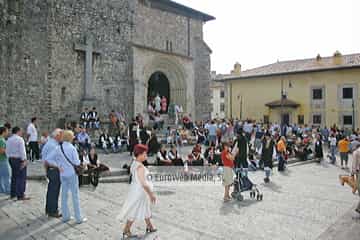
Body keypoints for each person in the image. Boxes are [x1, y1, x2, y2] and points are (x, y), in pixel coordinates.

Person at [47, 130, 87, 224]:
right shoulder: (72, 148)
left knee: (64, 195)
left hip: (63, 174)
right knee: (75, 195)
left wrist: (58, 166)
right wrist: (83, 164)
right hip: (72, 174)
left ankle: (65, 216)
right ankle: (78, 217)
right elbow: (77, 162)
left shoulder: (58, 148)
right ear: (70, 138)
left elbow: (48, 159)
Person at [120, 144, 157, 238]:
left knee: (145, 208)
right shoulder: (140, 167)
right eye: (145, 154)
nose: (146, 155)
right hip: (139, 192)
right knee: (134, 210)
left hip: (136, 190)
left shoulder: (134, 163)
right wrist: (151, 194)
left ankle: (150, 226)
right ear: (140, 154)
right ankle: (126, 230)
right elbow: (143, 184)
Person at [42, 128, 63, 218]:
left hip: (50, 169)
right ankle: (53, 210)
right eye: (61, 135)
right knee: (54, 191)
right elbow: (48, 160)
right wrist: (58, 166)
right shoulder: (53, 145)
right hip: (54, 170)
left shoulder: (51, 143)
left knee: (51, 190)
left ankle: (49, 209)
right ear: (57, 135)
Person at [6, 127, 30, 200]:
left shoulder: (9, 139)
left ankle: (13, 193)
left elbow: (7, 150)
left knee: (14, 177)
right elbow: (22, 151)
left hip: (11, 159)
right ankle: (20, 194)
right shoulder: (20, 139)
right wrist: (24, 160)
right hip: (18, 159)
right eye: (21, 131)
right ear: (18, 131)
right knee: (21, 177)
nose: (21, 133)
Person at [0, 126, 10, 194]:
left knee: (1, 176)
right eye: (7, 131)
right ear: (3, 132)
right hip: (3, 160)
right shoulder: (2, 140)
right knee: (7, 175)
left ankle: (2, 189)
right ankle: (7, 190)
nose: (8, 133)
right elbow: (2, 151)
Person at [351, 143, 360, 215]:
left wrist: (352, 173)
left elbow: (354, 164)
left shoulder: (356, 152)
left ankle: (358, 208)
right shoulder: (356, 152)